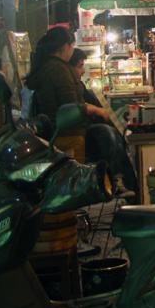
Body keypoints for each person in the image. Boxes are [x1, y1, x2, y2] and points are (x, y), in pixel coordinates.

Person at [68, 49, 136, 198]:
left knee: (116, 134)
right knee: (107, 132)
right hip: (75, 131)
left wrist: (98, 111)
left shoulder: (78, 85)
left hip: (84, 127)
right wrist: (93, 110)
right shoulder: (68, 85)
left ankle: (126, 183)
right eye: (80, 66)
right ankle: (114, 181)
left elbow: (93, 103)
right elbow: (75, 107)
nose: (83, 70)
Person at [23, 27, 90, 161]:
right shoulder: (60, 69)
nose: (72, 50)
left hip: (55, 134)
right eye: (72, 46)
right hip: (68, 136)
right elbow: (71, 107)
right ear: (65, 47)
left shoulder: (46, 66)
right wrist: (94, 110)